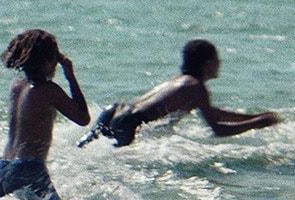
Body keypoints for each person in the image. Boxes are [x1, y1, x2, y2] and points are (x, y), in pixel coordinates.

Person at [78, 39, 279, 148]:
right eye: (218, 59)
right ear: (208, 64)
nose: (220, 64)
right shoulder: (196, 86)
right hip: (130, 123)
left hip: (115, 111)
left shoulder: (180, 80)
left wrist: (254, 117)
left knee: (83, 152)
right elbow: (217, 129)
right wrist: (258, 123)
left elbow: (211, 112)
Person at [0, 29, 90, 200]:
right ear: (48, 62)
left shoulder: (17, 86)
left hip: (4, 169)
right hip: (29, 169)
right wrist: (70, 76)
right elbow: (83, 118)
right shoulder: (48, 90)